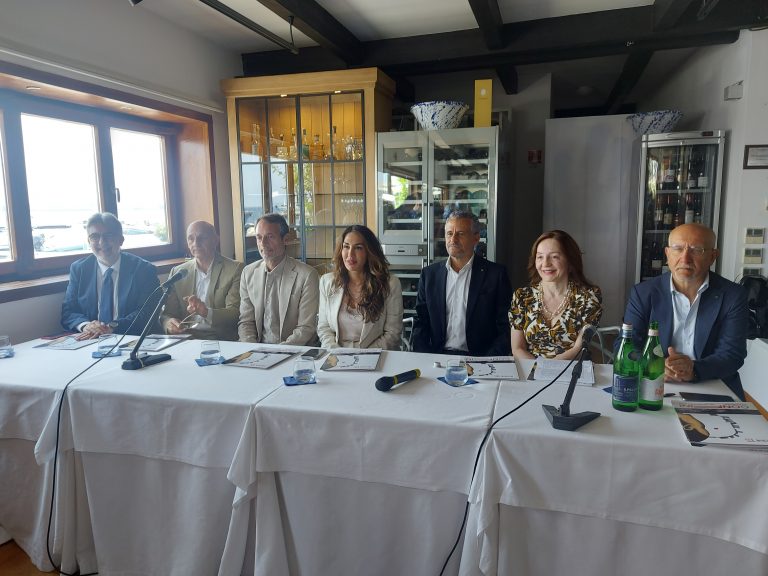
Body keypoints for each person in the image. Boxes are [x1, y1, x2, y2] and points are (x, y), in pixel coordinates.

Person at [621, 223, 748, 398]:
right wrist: (653, 364)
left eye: (696, 250)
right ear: (667, 254)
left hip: (712, 383)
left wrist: (694, 370)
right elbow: (627, 345)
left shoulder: (733, 295)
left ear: (713, 256)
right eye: (678, 249)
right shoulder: (643, 293)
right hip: (656, 383)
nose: (685, 258)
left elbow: (732, 353)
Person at [412, 210, 511, 356]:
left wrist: (487, 360)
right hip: (437, 357)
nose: (453, 239)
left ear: (476, 238)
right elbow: (421, 322)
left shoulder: (496, 275)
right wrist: (425, 357)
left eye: (460, 233)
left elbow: (506, 326)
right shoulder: (429, 275)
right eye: (449, 233)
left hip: (480, 358)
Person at [61, 212, 159, 338]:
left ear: (121, 240)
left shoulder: (143, 270)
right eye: (95, 236)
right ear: (88, 241)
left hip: (129, 338)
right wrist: (86, 326)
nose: (102, 242)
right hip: (89, 338)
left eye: (108, 235)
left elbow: (148, 312)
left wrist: (111, 327)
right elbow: (69, 312)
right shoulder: (79, 269)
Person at [509, 230, 602, 360]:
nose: (545, 264)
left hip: (571, 369)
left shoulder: (589, 297)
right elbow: (517, 348)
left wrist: (547, 369)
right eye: (540, 257)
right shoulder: (522, 296)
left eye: (554, 257)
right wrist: (536, 369)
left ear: (570, 261)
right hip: (529, 368)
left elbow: (579, 349)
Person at [238, 213, 319, 344]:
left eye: (270, 237)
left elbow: (305, 328)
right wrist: (251, 349)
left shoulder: (307, 275)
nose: (263, 243)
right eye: (259, 237)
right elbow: (246, 322)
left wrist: (279, 351)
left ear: (285, 239)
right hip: (257, 349)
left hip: (293, 350)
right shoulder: (248, 273)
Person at [317, 225, 403, 350]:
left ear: (369, 252)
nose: (350, 254)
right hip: (336, 355)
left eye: (358, 248)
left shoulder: (390, 284)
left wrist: (363, 356)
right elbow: (324, 327)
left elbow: (392, 333)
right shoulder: (327, 282)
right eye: (346, 246)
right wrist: (336, 353)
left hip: (377, 354)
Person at [160, 221, 244, 341]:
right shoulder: (178, 272)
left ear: (215, 240)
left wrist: (206, 312)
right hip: (187, 339)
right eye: (191, 238)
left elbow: (235, 313)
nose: (196, 243)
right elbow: (167, 314)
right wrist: (169, 324)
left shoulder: (235, 269)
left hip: (221, 339)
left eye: (202, 238)